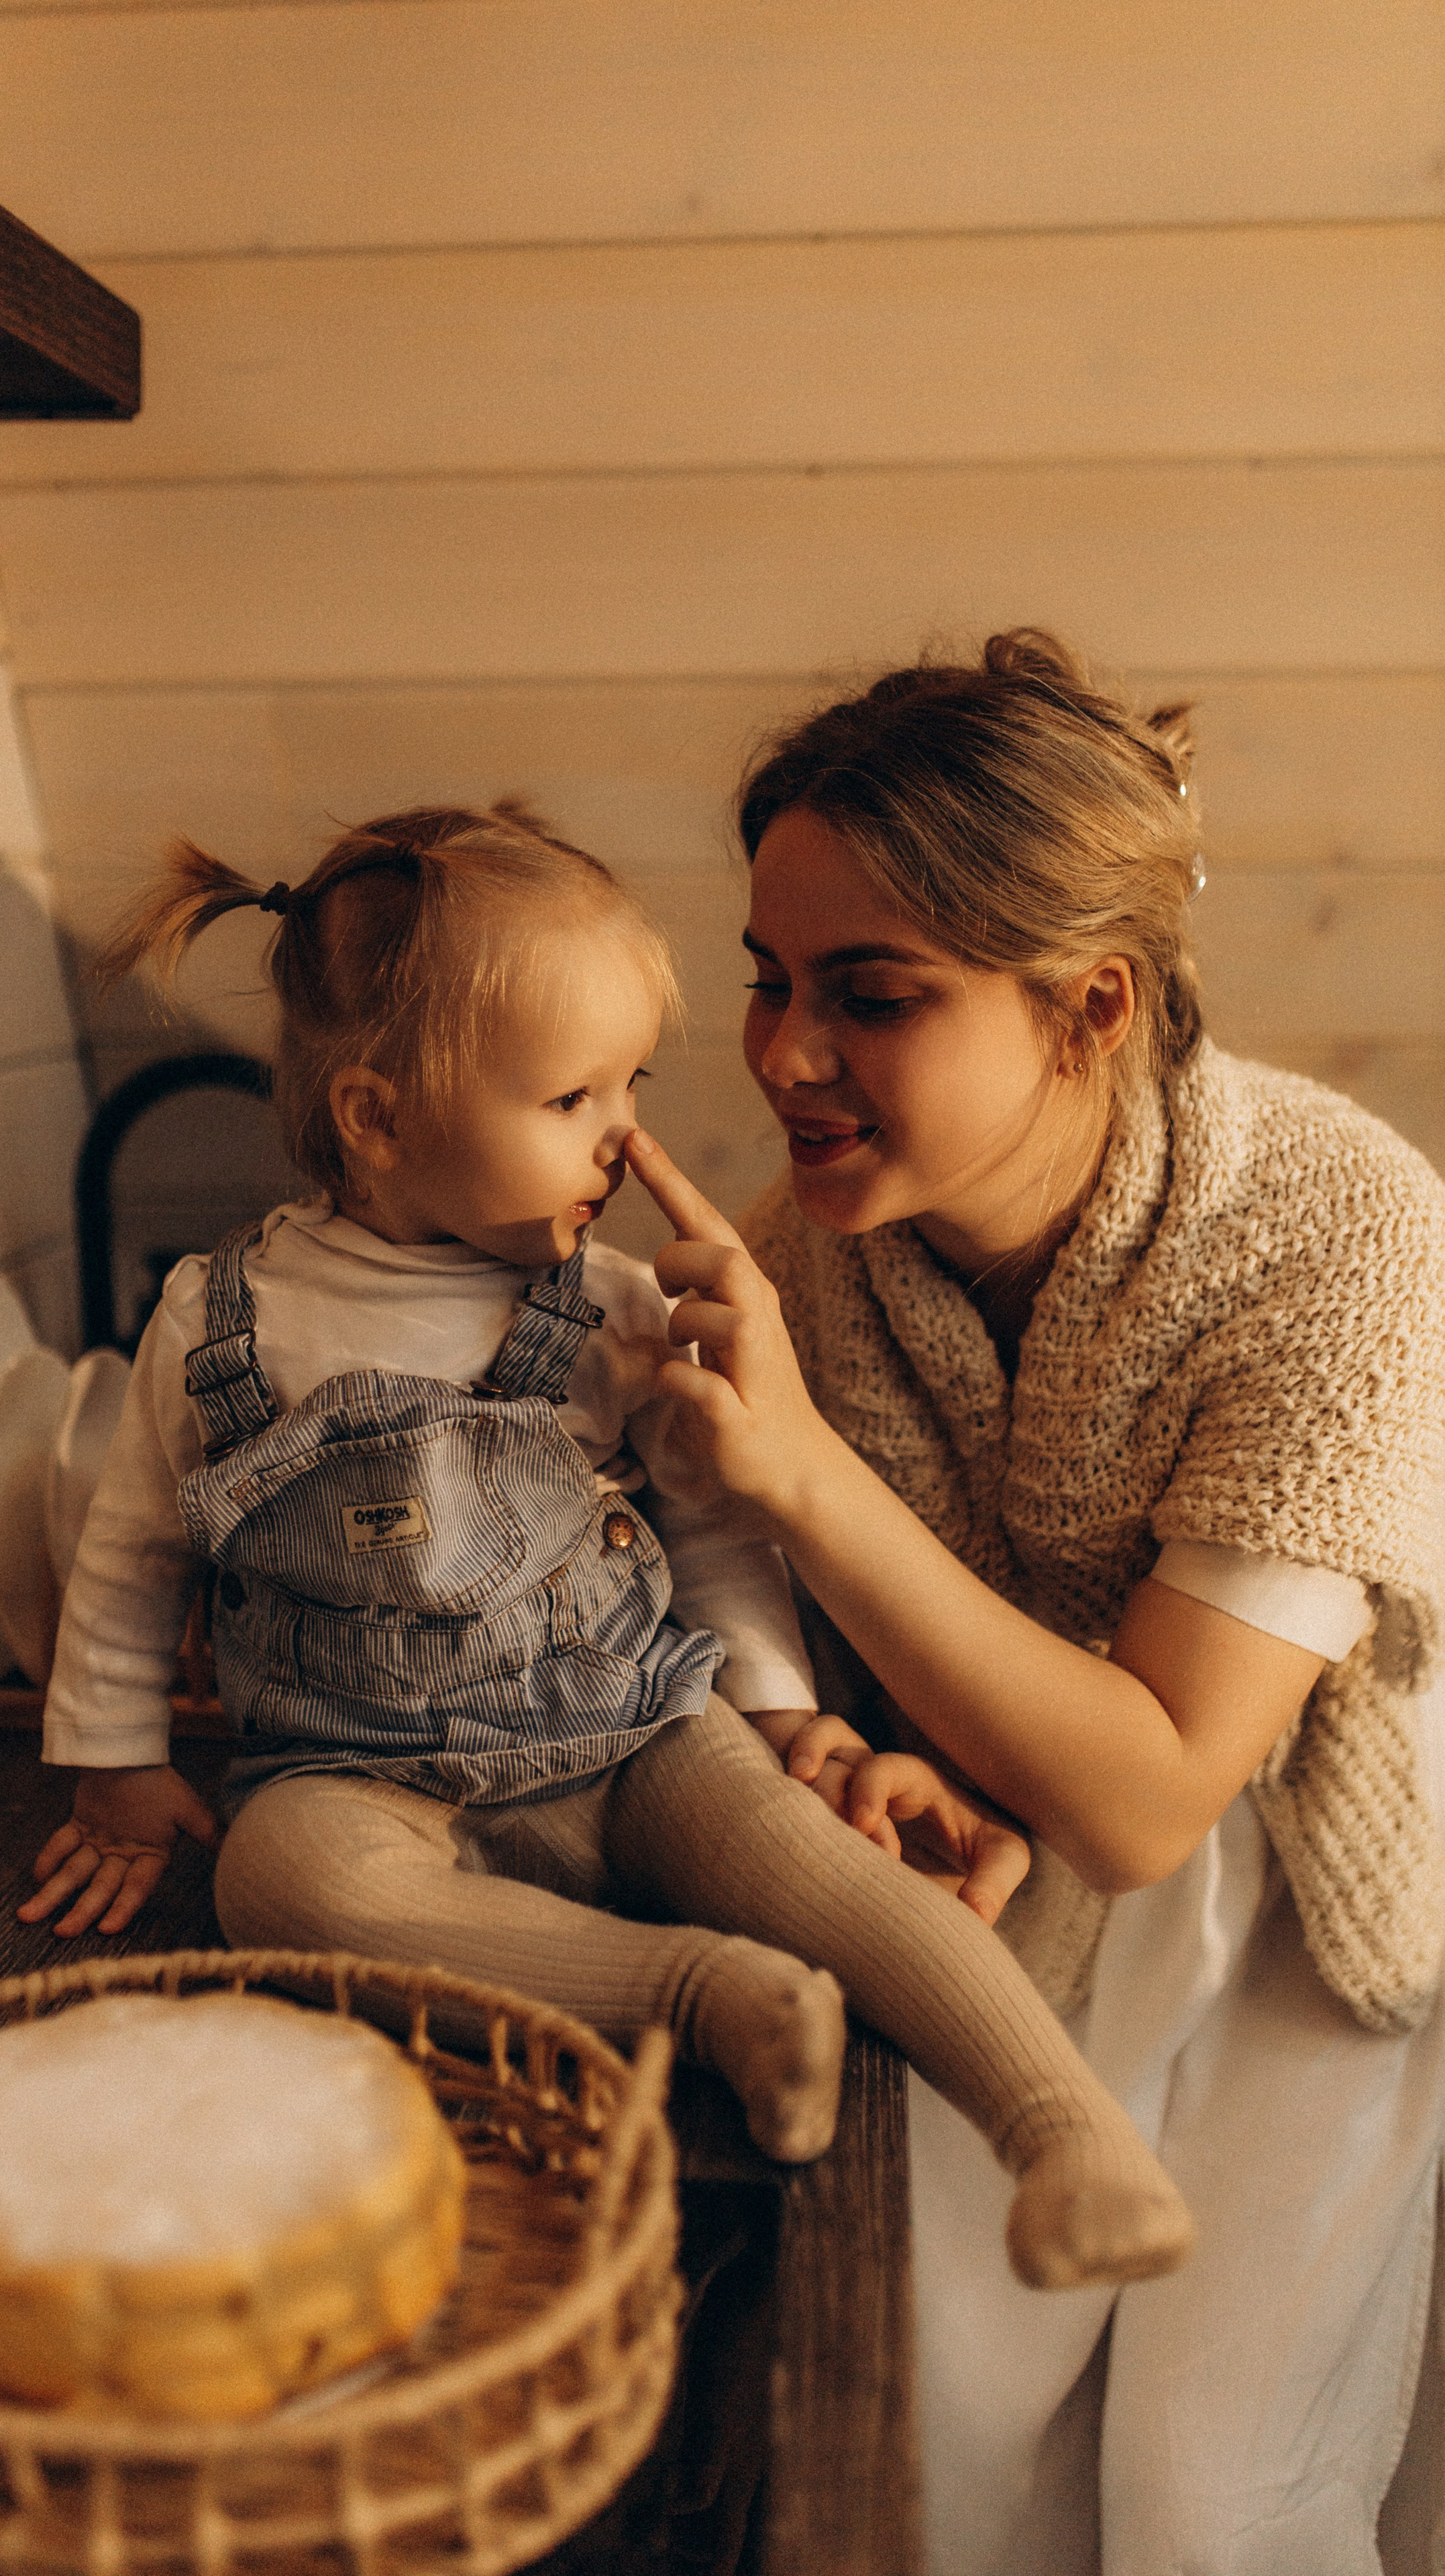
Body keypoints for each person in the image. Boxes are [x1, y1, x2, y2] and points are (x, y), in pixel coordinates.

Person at [21, 796, 1193, 2291]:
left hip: (628, 1730)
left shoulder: (615, 1307)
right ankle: (704, 1995)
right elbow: (130, 1553)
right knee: (279, 1884)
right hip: (352, 1770)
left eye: (629, 1084)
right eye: (573, 1099)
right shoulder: (220, 1316)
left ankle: (1060, 2129)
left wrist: (778, 1714)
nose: (623, 1138)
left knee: (813, 1863)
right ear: (377, 1117)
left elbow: (709, 1532)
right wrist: (116, 1770)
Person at [621, 629, 1445, 2574]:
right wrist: (831, 1751)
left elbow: (1159, 1792)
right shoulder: (809, 1264)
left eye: (871, 997)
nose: (784, 1058)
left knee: (1213, 2496)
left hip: (1282, 1889)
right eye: (768, 983)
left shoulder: (1346, 1236)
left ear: (1090, 1004)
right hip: (1002, 1887)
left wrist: (805, 1470)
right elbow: (753, 1598)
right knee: (947, 2463)